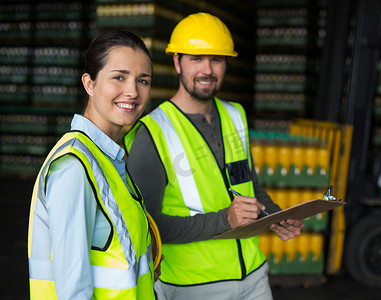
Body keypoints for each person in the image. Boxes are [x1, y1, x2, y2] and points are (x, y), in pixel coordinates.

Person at [124, 12, 304, 300]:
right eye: (196, 59)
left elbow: (250, 185)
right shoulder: (153, 133)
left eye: (216, 59)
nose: (207, 69)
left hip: (255, 277)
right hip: (194, 286)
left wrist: (275, 216)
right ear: (177, 62)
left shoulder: (235, 115)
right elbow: (147, 227)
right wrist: (225, 221)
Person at [27, 30, 161, 299]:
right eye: (119, 77)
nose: (133, 91)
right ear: (89, 84)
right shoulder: (75, 168)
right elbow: (73, 291)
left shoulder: (109, 158)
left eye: (143, 80)